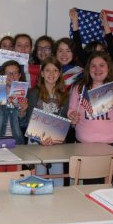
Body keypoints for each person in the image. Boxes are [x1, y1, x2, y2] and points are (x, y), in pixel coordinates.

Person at [67, 51, 113, 184]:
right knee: (88, 186)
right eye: (93, 66)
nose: (97, 69)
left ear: (108, 67)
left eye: (102, 65)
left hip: (111, 145)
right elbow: (72, 109)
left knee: (108, 185)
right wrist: (72, 116)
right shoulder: (79, 87)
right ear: (88, 68)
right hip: (85, 145)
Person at [27, 57, 69, 186]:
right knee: (38, 181)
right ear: (42, 73)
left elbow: (65, 120)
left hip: (56, 143)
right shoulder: (33, 93)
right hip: (36, 142)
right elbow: (29, 119)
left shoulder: (65, 95)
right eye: (48, 70)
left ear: (60, 73)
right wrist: (41, 140)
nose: (51, 74)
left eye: (55, 70)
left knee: (57, 180)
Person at [0, 60, 28, 172]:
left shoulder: (24, 95)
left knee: (14, 176)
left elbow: (23, 125)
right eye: (8, 73)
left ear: (20, 76)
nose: (11, 76)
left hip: (15, 143)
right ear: (2, 75)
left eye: (15, 73)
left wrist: (23, 111)